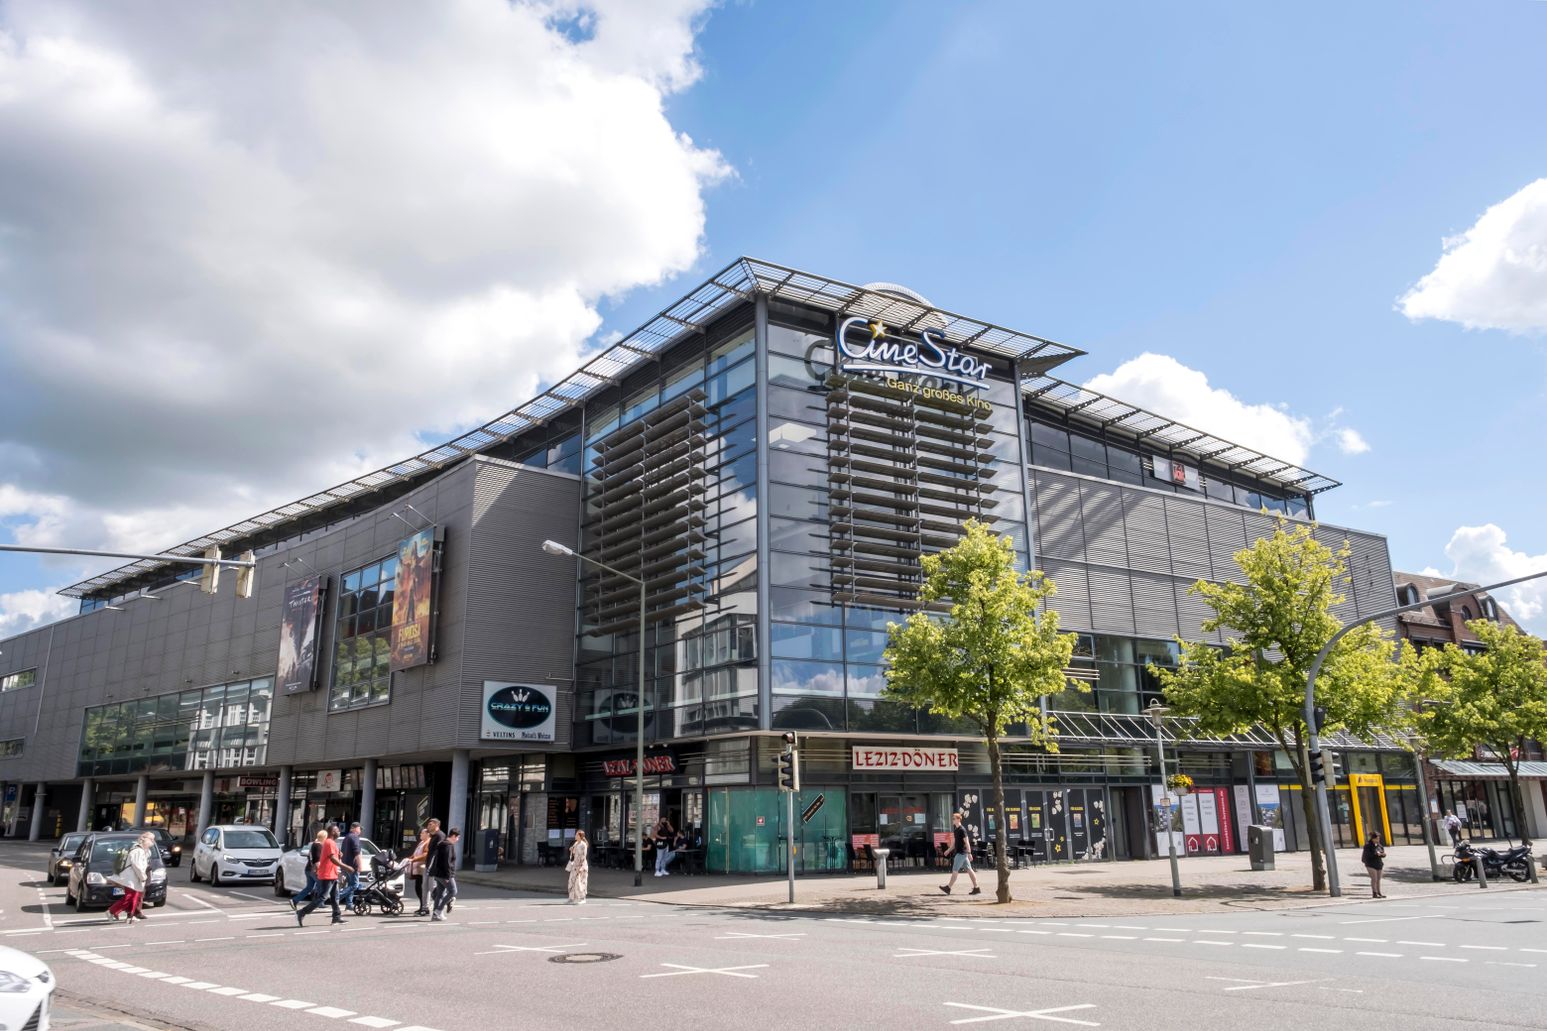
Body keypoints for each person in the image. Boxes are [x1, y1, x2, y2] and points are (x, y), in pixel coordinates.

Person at [296, 829, 345, 926]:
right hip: (327, 874)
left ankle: (337, 917)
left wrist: (339, 857)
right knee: (323, 897)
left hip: (332, 873)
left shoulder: (331, 843)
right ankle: (302, 912)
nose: (340, 832)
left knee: (334, 896)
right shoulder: (328, 843)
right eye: (337, 830)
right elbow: (330, 858)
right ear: (332, 832)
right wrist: (346, 867)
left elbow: (333, 858)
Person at [107, 833, 154, 923]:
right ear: (145, 840)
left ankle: (129, 915)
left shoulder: (144, 851)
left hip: (134, 878)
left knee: (134, 897)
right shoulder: (138, 851)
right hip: (131, 878)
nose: (153, 841)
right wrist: (143, 877)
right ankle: (112, 911)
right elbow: (137, 865)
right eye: (151, 839)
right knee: (130, 896)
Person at [940, 813, 982, 896]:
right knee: (969, 870)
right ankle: (976, 888)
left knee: (955, 870)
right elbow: (954, 843)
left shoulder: (962, 830)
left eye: (953, 818)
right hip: (961, 853)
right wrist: (948, 850)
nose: (952, 820)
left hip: (961, 853)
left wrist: (969, 853)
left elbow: (966, 842)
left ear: (958, 819)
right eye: (952, 818)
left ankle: (948, 888)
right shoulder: (956, 830)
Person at [425, 818, 453, 922]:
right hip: (433, 867)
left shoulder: (440, 836)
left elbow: (438, 855)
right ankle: (436, 914)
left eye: (430, 824)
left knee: (440, 891)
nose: (428, 825)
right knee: (438, 892)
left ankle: (447, 902)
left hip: (436, 868)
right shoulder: (434, 836)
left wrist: (432, 867)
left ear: (437, 825)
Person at [290, 831, 323, 910]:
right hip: (314, 870)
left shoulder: (313, 845)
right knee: (321, 886)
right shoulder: (318, 845)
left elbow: (309, 856)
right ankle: (319, 903)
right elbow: (317, 860)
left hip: (308, 869)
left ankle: (295, 900)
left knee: (309, 887)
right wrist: (318, 870)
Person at [337, 822, 363, 909]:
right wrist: (360, 865)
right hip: (352, 866)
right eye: (359, 829)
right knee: (354, 885)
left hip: (345, 865)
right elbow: (357, 853)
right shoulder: (355, 837)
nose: (360, 831)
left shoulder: (346, 838)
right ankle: (337, 897)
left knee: (350, 884)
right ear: (356, 828)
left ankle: (349, 904)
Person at [408, 827, 431, 916]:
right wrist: (410, 858)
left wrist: (415, 859)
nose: (420, 835)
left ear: (427, 834)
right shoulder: (422, 842)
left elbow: (426, 854)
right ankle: (422, 906)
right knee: (418, 888)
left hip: (423, 869)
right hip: (418, 869)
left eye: (422, 833)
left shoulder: (428, 842)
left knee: (423, 889)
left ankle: (425, 907)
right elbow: (415, 853)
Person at [567, 830, 589, 905]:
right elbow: (573, 854)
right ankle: (572, 898)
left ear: (580, 836)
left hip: (581, 866)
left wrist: (582, 867)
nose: (575, 836)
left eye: (576, 835)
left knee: (581, 882)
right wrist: (571, 849)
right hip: (575, 865)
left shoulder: (583, 845)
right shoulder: (576, 843)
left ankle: (582, 898)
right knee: (572, 881)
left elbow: (584, 856)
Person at [1362, 831, 1387, 899]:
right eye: (1377, 839)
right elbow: (1367, 855)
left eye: (1379, 838)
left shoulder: (1379, 845)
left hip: (1378, 863)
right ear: (1373, 838)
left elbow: (1382, 852)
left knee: (1378, 879)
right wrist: (1376, 854)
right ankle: (1374, 893)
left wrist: (1383, 854)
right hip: (1370, 864)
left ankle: (1379, 892)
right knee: (1374, 878)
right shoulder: (1368, 845)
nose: (1378, 840)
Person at [443, 829, 461, 913]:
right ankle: (439, 909)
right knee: (453, 890)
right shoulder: (449, 845)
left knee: (439, 893)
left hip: (438, 873)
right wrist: (448, 875)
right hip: (445, 874)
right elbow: (448, 862)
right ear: (453, 836)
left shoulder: (443, 843)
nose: (458, 839)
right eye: (458, 837)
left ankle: (437, 910)